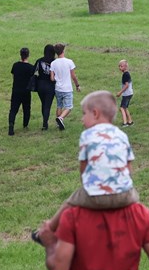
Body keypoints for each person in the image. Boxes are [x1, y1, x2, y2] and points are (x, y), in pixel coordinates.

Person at [40, 91, 140, 235]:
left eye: (83, 114)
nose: (81, 119)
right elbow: (129, 167)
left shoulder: (87, 135)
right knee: (137, 203)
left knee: (70, 202)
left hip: (95, 196)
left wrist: (86, 185)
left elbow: (83, 167)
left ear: (95, 113)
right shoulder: (122, 135)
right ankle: (138, 226)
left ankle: (49, 228)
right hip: (124, 195)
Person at [50, 43, 80, 130]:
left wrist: (57, 79)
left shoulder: (53, 63)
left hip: (58, 88)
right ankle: (61, 118)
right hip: (67, 88)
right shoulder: (69, 62)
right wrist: (77, 85)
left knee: (59, 105)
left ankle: (58, 123)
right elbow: (73, 76)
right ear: (63, 50)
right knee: (69, 107)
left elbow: (52, 78)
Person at [8, 47, 35, 136]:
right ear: (28, 55)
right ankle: (25, 124)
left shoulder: (15, 65)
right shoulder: (31, 67)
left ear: (20, 54)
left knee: (13, 109)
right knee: (26, 108)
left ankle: (11, 125)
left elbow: (13, 76)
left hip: (16, 90)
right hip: (26, 91)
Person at [34, 45, 57, 130]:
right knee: (47, 105)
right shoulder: (55, 62)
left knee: (43, 104)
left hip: (40, 85)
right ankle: (45, 123)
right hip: (50, 86)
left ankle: (45, 122)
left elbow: (33, 71)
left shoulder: (39, 61)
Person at [117, 59, 134, 126]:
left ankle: (125, 123)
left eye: (121, 66)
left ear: (125, 67)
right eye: (119, 66)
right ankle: (130, 121)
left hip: (126, 94)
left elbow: (126, 85)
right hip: (130, 93)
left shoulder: (125, 75)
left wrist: (120, 92)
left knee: (121, 108)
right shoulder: (127, 74)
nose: (120, 68)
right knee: (125, 107)